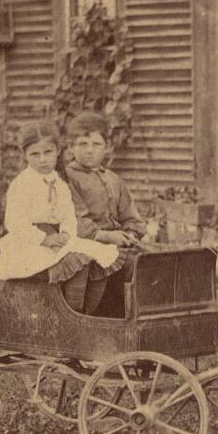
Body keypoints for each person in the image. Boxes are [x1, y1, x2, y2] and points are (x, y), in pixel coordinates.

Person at [0, 119, 119, 312]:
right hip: (30, 243)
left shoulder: (58, 183)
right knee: (78, 261)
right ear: (25, 155)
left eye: (48, 152)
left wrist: (67, 233)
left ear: (58, 151)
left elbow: (68, 215)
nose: (42, 159)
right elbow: (15, 222)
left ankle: (86, 315)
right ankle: (71, 316)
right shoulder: (22, 184)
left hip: (58, 238)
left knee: (101, 255)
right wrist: (44, 238)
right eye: (35, 154)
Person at [62, 111, 146, 316]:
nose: (90, 151)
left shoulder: (113, 179)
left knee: (149, 263)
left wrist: (131, 234)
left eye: (96, 144)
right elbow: (75, 221)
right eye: (83, 144)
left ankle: (137, 319)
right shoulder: (68, 178)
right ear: (71, 148)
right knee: (128, 266)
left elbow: (130, 216)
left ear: (106, 147)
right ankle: (96, 318)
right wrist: (109, 236)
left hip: (117, 244)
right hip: (86, 243)